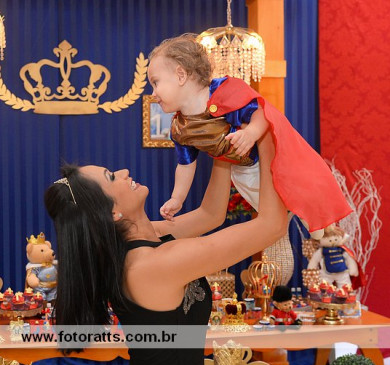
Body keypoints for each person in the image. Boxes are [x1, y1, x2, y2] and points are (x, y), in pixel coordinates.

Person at [44, 133, 287, 365]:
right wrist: (267, 139)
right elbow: (272, 225)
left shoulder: (149, 237)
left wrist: (222, 142)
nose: (124, 172)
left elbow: (211, 215)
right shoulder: (151, 266)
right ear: (113, 212)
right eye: (112, 177)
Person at [149, 33, 351, 236]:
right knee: (267, 208)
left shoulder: (222, 92)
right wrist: (177, 198)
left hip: (267, 160)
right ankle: (299, 221)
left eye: (156, 82)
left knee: (296, 187)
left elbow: (262, 112)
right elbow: (185, 165)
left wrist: (251, 133)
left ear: (181, 75)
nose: (153, 93)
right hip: (242, 170)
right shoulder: (181, 127)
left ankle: (317, 220)